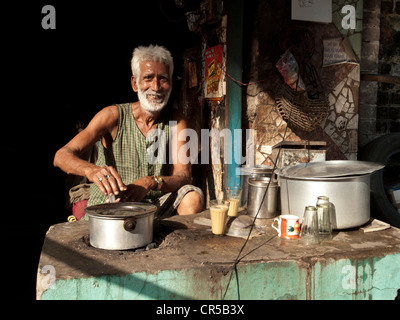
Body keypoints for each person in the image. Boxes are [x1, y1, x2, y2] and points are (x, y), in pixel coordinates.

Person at [54, 45, 204, 220]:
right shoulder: (113, 116)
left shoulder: (176, 120)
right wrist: (92, 171)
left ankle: (169, 243)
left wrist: (151, 182)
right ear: (135, 83)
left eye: (163, 79)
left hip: (152, 207)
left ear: (170, 84)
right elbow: (61, 156)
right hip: (111, 205)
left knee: (193, 197)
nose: (155, 87)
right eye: (148, 78)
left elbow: (183, 176)